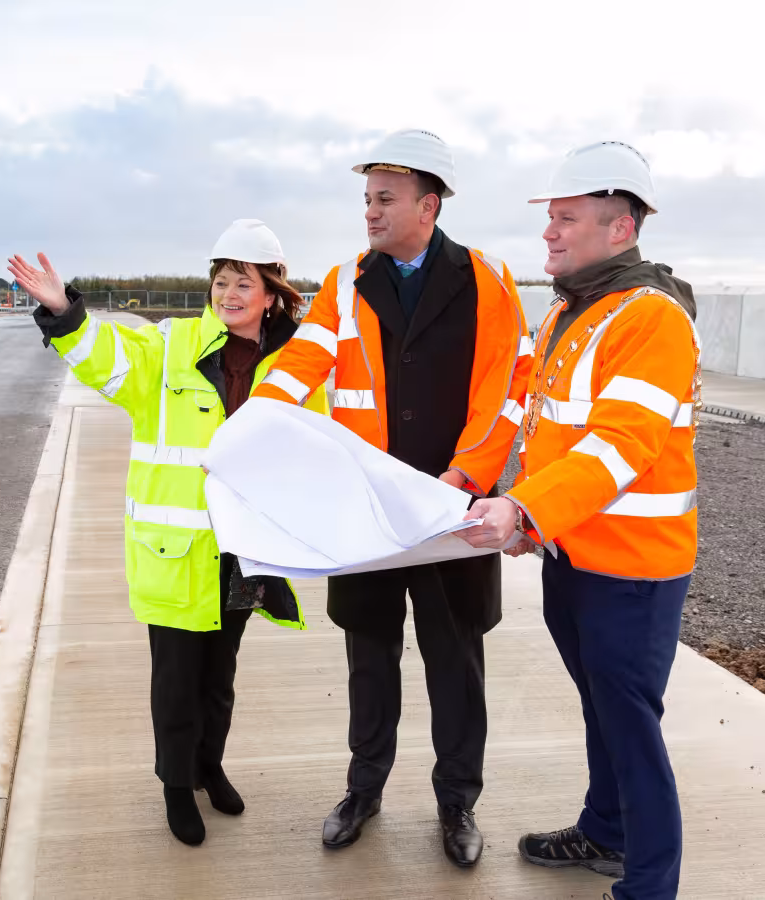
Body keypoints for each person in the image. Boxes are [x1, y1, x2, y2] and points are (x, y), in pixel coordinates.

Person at [249, 129, 532, 867]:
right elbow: (305, 359)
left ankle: (457, 804)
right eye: (366, 199)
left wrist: (465, 478)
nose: (369, 211)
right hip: (368, 514)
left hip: (451, 511)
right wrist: (262, 414)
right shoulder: (346, 282)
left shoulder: (488, 280)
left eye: (384, 199)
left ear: (427, 205)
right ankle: (364, 790)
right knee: (368, 660)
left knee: (455, 665)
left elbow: (509, 389)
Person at [8, 219, 329, 846]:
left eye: (244, 283)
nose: (228, 293)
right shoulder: (172, 345)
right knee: (177, 679)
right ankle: (176, 786)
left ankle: (210, 767)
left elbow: (315, 446)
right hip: (177, 549)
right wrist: (65, 313)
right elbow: (110, 361)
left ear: (271, 293)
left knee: (220, 675)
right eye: (220, 281)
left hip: (243, 555)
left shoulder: (295, 362)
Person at [457, 141, 701, 900]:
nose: (549, 234)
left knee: (631, 730)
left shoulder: (651, 318)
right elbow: (551, 433)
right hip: (576, 556)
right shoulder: (573, 310)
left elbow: (620, 444)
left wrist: (525, 506)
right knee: (603, 711)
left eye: (566, 220)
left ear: (620, 227)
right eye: (551, 220)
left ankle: (648, 886)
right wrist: (532, 518)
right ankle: (606, 832)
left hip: (632, 569)